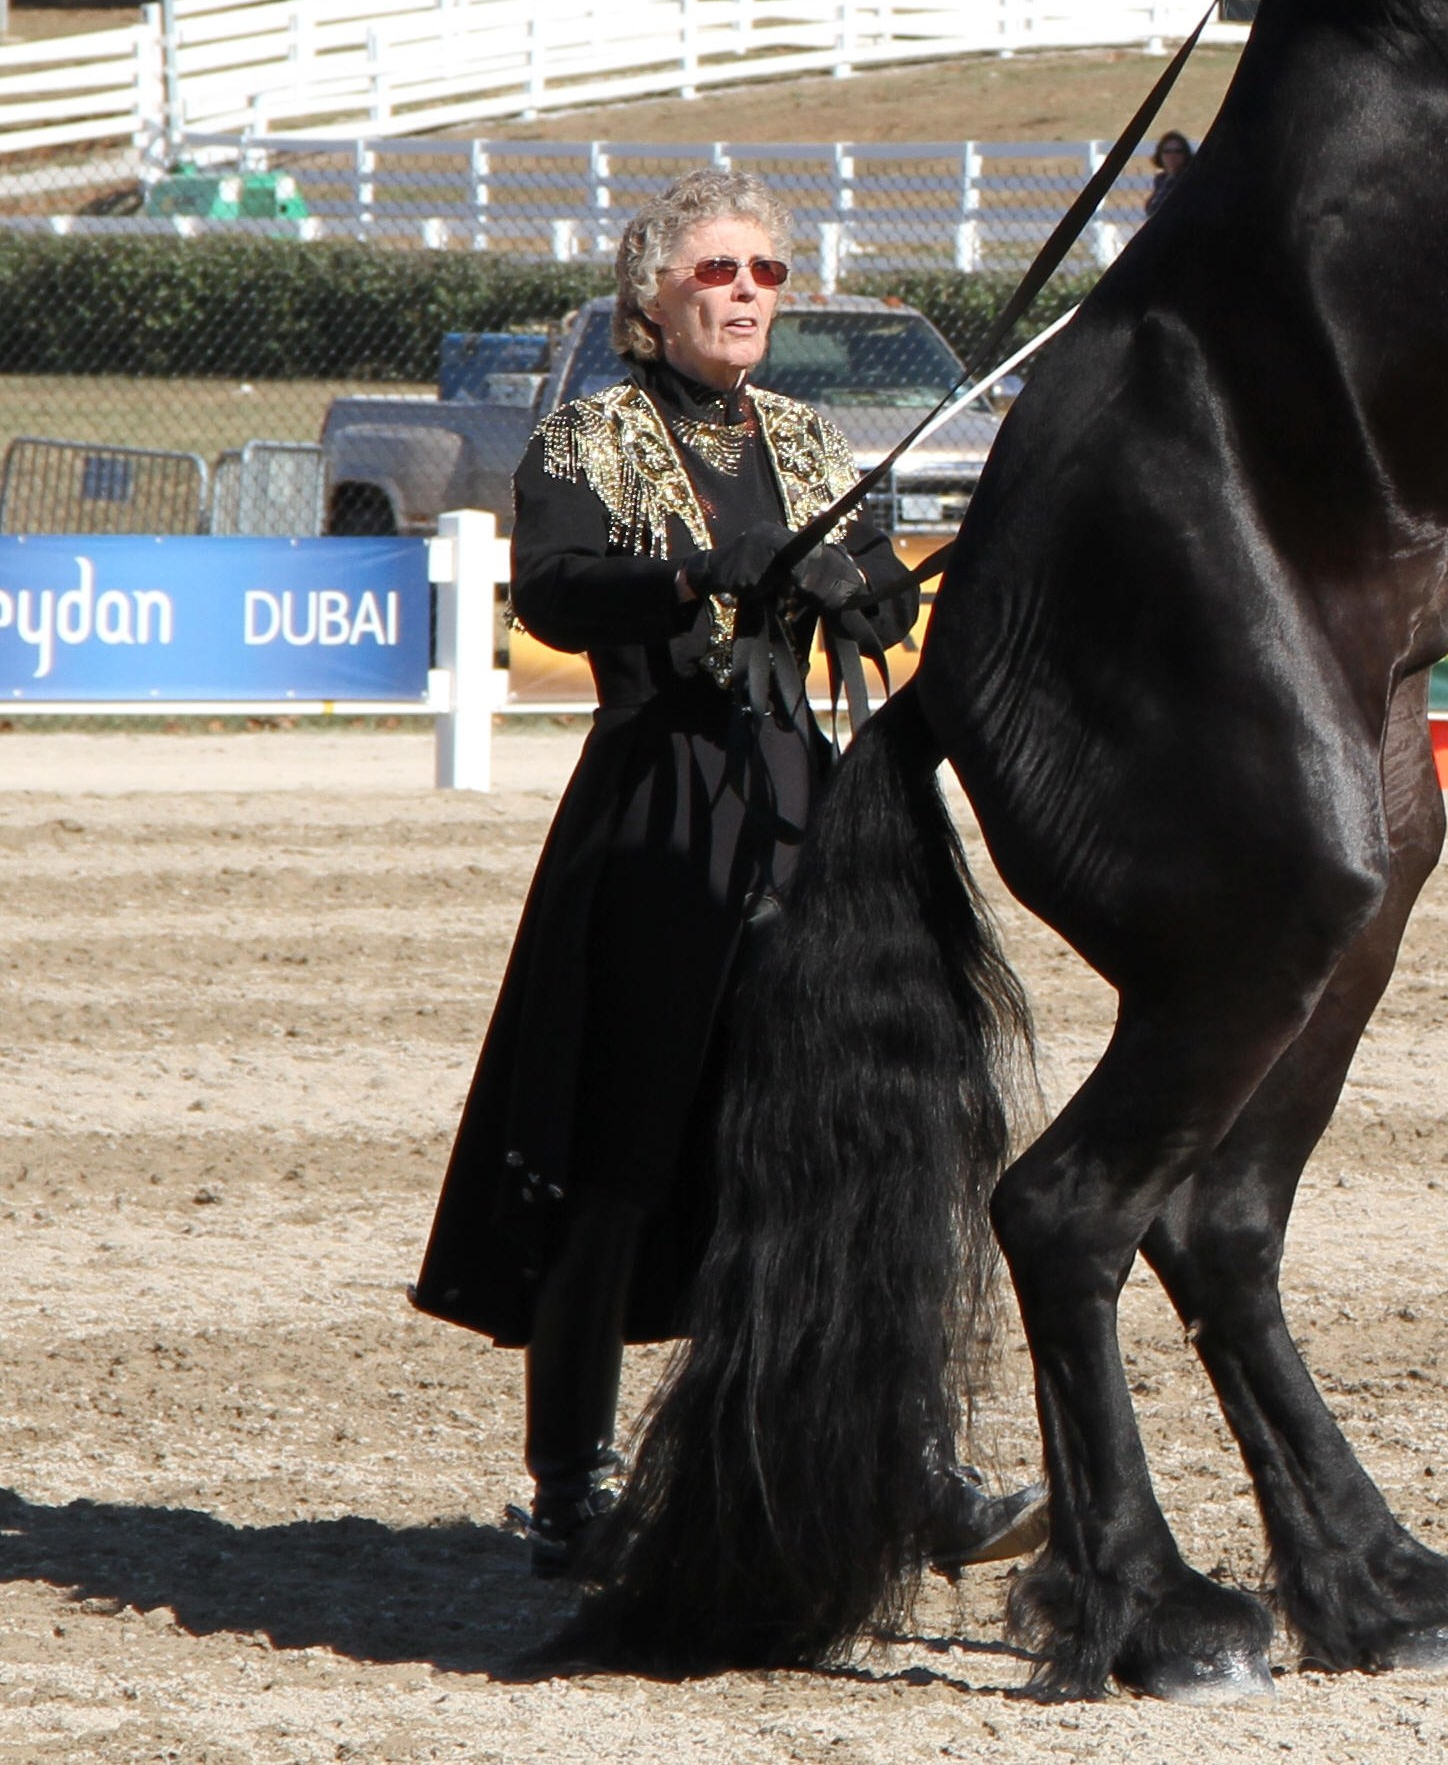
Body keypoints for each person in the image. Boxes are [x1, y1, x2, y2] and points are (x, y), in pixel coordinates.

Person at [411, 167, 1042, 1580]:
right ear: (653, 296)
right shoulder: (587, 437)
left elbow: (875, 596)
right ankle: (573, 1485)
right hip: (658, 807)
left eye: (766, 270)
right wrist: (703, 575)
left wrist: (866, 590)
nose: (748, 290)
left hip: (802, 806)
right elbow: (556, 592)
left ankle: (913, 1469)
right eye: (718, 269)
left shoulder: (809, 440)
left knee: (846, 1136)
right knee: (622, 1149)